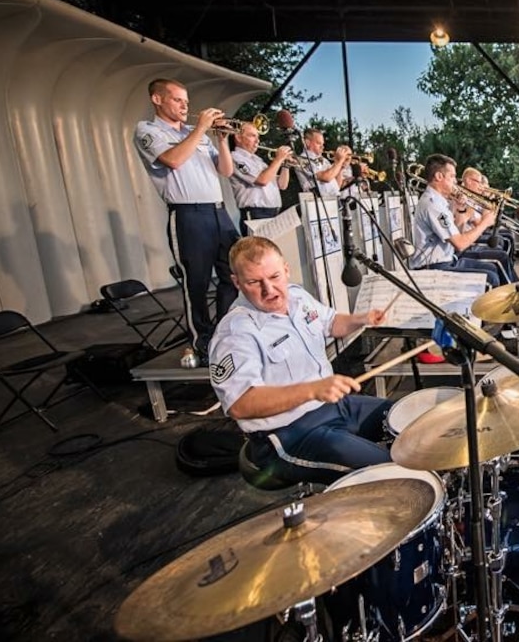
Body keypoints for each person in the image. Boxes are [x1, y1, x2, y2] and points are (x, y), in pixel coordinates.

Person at [209, 237, 392, 485]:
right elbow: (240, 404)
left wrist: (362, 318)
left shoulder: (297, 296)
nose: (269, 290)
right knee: (393, 471)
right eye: (254, 282)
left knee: (413, 421)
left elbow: (330, 323)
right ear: (237, 283)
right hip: (288, 435)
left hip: (336, 407)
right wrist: (311, 390)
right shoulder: (235, 332)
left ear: (286, 269)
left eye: (274, 277)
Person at [134, 78, 240, 361]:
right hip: (188, 214)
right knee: (197, 282)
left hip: (218, 211)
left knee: (236, 272)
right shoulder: (149, 130)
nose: (185, 106)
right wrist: (203, 127)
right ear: (157, 100)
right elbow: (174, 159)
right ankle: (202, 341)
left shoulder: (199, 134)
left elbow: (226, 171)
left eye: (186, 101)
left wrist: (221, 139)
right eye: (178, 100)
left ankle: (224, 331)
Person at [409, 154, 506, 288]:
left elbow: (456, 235)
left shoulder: (439, 202)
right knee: (491, 278)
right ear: (438, 176)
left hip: (447, 260)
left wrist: (460, 210)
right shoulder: (433, 205)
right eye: (452, 176)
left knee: (492, 269)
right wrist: (485, 222)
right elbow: (460, 244)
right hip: (433, 267)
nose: (456, 181)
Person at [228, 122, 292, 236]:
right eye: (252, 136)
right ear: (238, 137)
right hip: (255, 214)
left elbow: (282, 185)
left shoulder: (258, 160)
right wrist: (278, 159)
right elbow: (262, 180)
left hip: (273, 212)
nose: (257, 141)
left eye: (258, 137)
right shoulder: (235, 157)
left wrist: (285, 164)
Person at [293, 128, 351, 198]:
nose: (322, 147)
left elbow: (336, 186)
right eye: (318, 143)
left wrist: (340, 168)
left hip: (333, 199)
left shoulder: (324, 160)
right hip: (318, 202)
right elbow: (326, 178)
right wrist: (339, 161)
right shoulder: (302, 160)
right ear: (307, 143)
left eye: (323, 144)